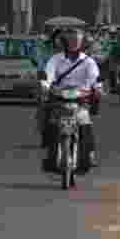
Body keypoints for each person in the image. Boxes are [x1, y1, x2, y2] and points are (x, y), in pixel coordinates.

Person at [39, 26, 102, 173]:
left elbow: (95, 78)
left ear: (82, 43)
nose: (74, 43)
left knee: (86, 124)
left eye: (77, 40)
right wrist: (45, 85)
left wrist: (97, 88)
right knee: (50, 122)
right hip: (59, 97)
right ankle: (50, 154)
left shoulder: (89, 61)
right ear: (64, 42)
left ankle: (90, 154)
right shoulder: (55, 59)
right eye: (71, 40)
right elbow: (48, 75)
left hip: (81, 99)